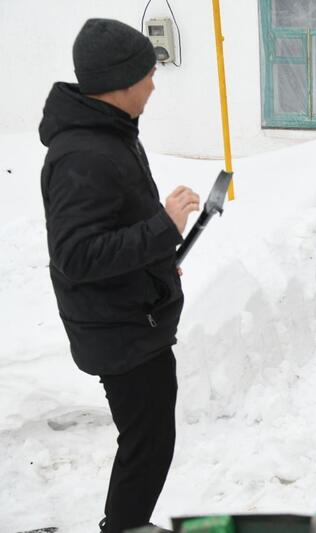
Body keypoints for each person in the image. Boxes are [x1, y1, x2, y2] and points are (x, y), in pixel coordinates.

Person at [39, 19, 201, 532]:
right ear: (122, 82)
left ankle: (127, 522)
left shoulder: (108, 135)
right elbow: (77, 255)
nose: (154, 84)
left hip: (134, 316)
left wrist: (158, 253)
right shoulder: (83, 154)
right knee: (146, 442)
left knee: (149, 438)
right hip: (119, 331)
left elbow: (113, 225)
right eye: (148, 74)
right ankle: (124, 526)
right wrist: (161, 230)